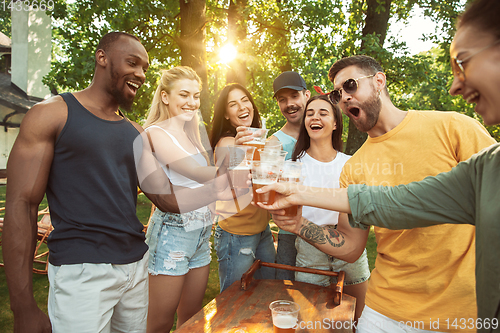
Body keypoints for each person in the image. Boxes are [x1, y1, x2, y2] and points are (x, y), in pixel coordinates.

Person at [257, 0, 499, 330]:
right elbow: (352, 246)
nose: (344, 98)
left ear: (379, 81)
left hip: (460, 311)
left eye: (351, 85)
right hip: (385, 309)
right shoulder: (355, 167)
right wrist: (298, 225)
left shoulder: (454, 127)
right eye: (338, 94)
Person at [142, 66, 218, 332]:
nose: (192, 102)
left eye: (196, 96)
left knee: (192, 317)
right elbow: (195, 171)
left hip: (200, 232)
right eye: (184, 95)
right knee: (160, 322)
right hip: (172, 232)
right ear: (165, 97)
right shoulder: (155, 133)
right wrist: (240, 172)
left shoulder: (192, 134)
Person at [291, 94, 370, 324]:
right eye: (310, 113)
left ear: (335, 123)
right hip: (309, 245)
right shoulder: (293, 165)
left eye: (323, 113)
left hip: (349, 245)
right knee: (310, 321)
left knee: (359, 320)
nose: (315, 117)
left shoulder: (350, 163)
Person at [209, 83, 275, 292]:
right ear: (226, 115)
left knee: (266, 293)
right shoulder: (228, 142)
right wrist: (239, 146)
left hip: (262, 230)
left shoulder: (257, 138)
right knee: (232, 300)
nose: (242, 107)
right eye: (233, 104)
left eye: (245, 100)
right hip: (236, 234)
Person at [269, 71, 311, 280]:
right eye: (282, 100)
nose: (289, 104)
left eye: (294, 96)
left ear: (307, 96)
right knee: (285, 293)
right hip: (290, 235)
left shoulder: (321, 132)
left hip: (326, 229)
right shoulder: (274, 143)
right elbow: (266, 190)